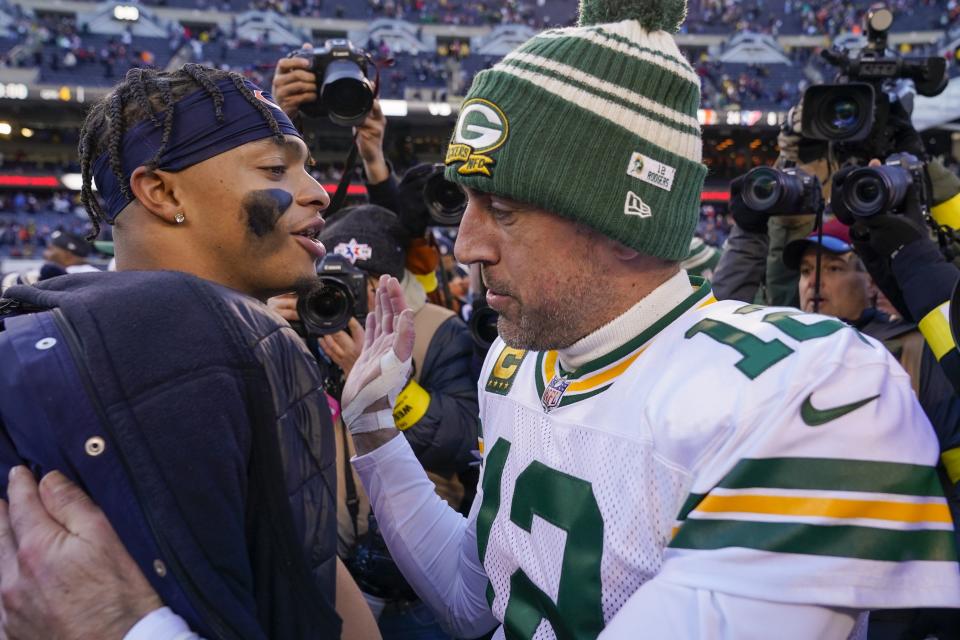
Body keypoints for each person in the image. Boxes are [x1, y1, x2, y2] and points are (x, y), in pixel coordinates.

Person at [3, 2, 960, 639]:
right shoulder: (519, 364)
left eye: (500, 209)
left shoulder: (810, 389)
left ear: (620, 216)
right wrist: (377, 437)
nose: (464, 247)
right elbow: (481, 600)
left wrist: (137, 631)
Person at [0, 64, 377, 639]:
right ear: (162, 190)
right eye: (277, 168)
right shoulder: (204, 336)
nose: (319, 192)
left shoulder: (61, 316)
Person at [272, 203, 479, 640]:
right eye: (334, 282)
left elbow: (459, 441)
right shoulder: (301, 325)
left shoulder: (437, 330)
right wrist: (264, 329)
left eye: (362, 284)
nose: (344, 298)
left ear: (389, 283)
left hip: (415, 582)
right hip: (327, 568)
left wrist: (380, 385)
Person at [0, 230, 100, 293]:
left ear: (67, 254)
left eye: (50, 249)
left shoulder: (81, 275)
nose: (45, 253)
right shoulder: (88, 272)